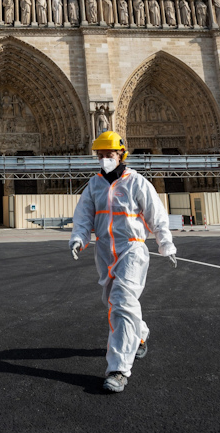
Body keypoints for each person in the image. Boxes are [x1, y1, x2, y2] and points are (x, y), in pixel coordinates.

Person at [69, 130, 176, 393]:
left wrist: (166, 243)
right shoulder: (94, 185)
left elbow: (156, 215)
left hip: (132, 250)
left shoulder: (137, 183)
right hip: (104, 251)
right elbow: (83, 217)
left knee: (120, 304)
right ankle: (139, 334)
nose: (105, 159)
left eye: (109, 154)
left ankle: (118, 369)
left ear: (121, 154)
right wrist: (78, 238)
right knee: (112, 301)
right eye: (101, 155)